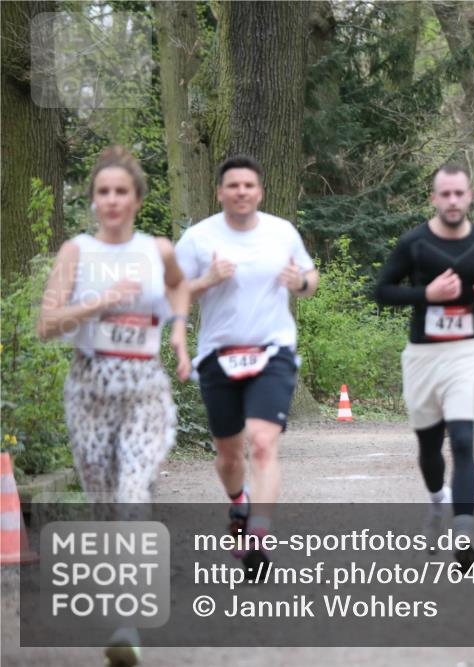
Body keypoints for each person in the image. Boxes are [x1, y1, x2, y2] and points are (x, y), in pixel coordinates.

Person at [37, 145, 191, 667]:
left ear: (137, 199)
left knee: (130, 491)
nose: (111, 200)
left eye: (120, 191)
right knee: (105, 501)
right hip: (90, 385)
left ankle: (127, 624)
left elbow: (179, 288)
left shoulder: (158, 249)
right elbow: (46, 325)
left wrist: (178, 333)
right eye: (102, 191)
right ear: (93, 200)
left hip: (143, 385)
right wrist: (100, 301)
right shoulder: (76, 251)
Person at [175, 155, 318, 574]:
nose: (241, 192)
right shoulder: (199, 239)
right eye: (233, 185)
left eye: (248, 186)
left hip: (273, 351)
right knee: (230, 455)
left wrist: (301, 283)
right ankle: (239, 503)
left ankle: (258, 535)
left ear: (260, 192)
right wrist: (208, 280)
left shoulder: (281, 232)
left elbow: (310, 278)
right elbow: (175, 293)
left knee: (262, 442)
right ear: (220, 192)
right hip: (219, 355)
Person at [375, 163, 474, 572]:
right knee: (429, 448)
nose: (453, 201)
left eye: (459, 194)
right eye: (445, 194)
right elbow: (382, 291)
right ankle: (438, 502)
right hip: (423, 357)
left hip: (468, 354)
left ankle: (464, 536)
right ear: (434, 198)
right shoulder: (414, 243)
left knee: (462, 441)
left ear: (470, 195)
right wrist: (427, 293)